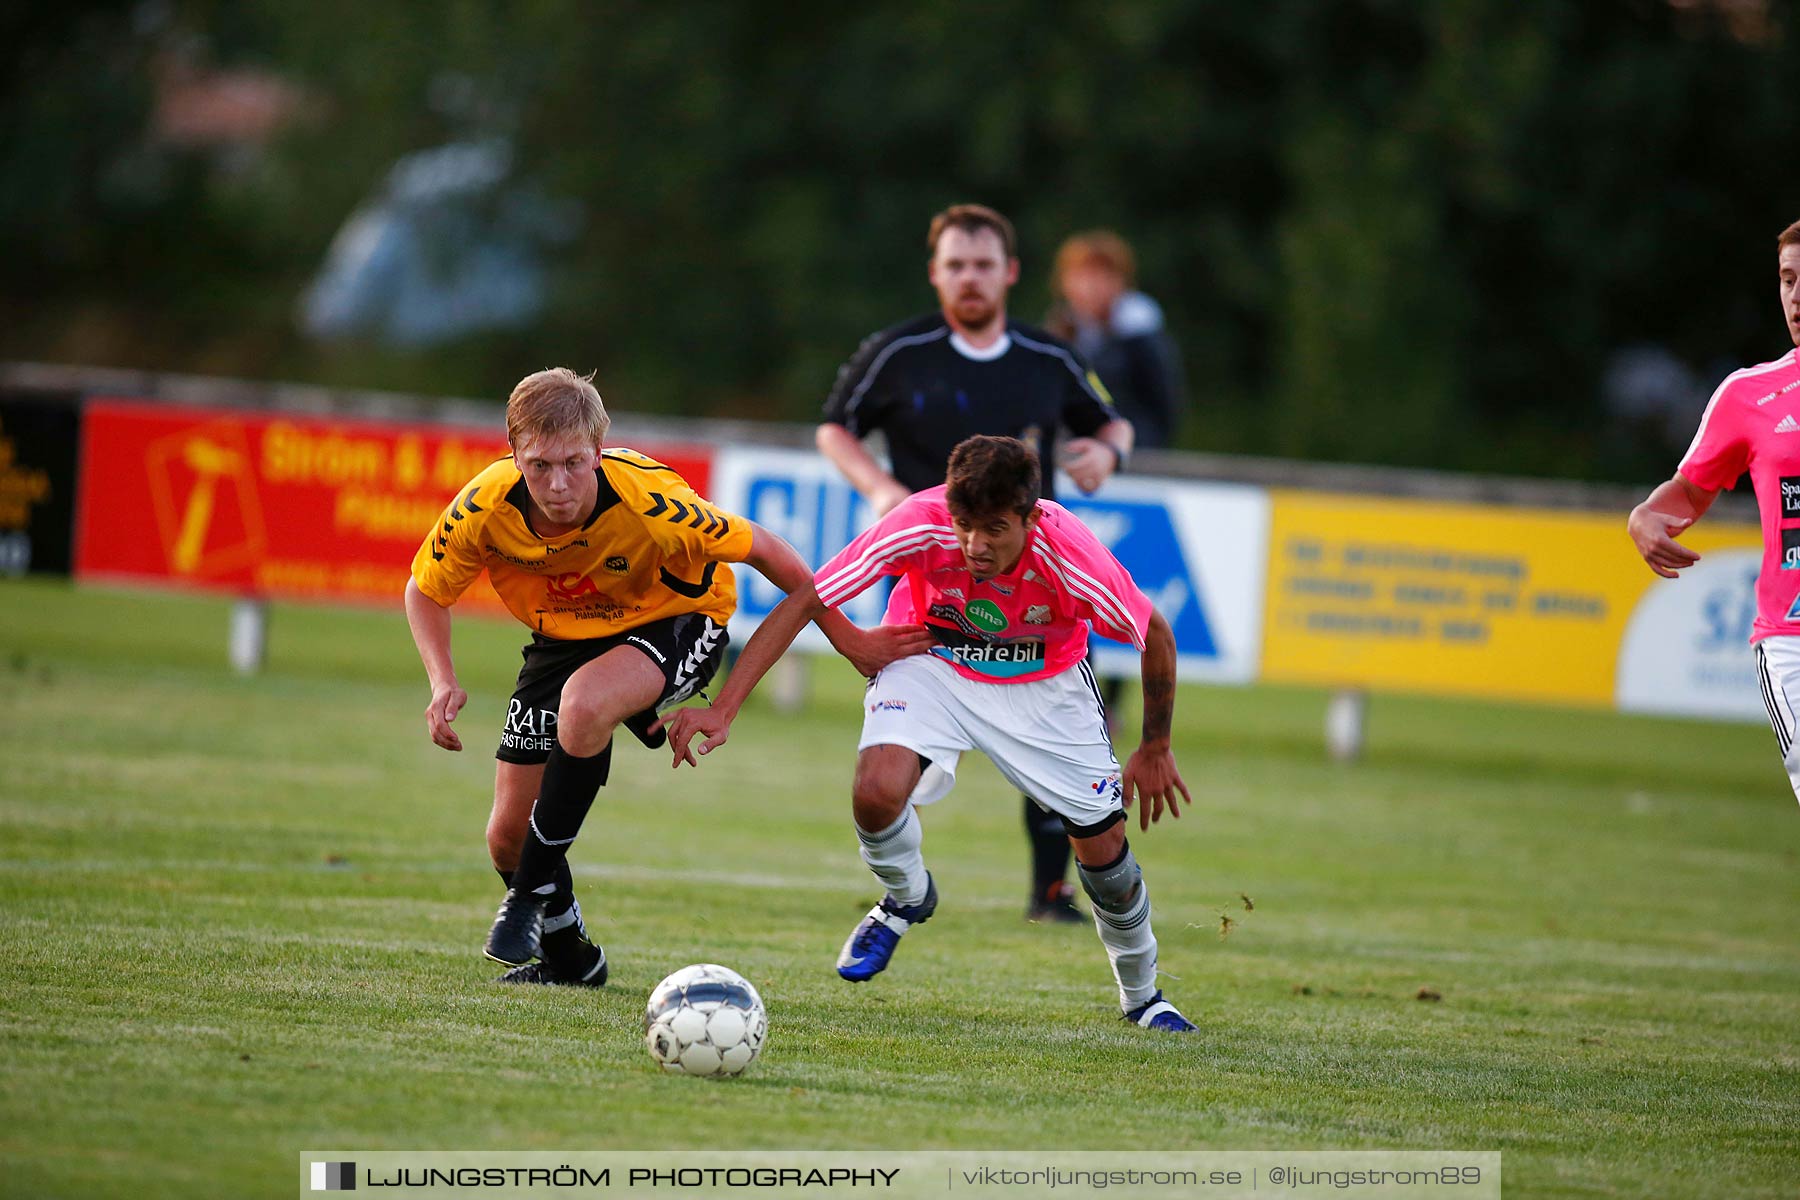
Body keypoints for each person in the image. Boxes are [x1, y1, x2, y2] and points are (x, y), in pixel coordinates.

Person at [404, 367, 929, 985]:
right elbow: (424, 590)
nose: (558, 483)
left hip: (677, 618)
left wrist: (848, 643)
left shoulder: (653, 503)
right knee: (506, 838)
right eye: (540, 465)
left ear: (598, 451)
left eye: (574, 462)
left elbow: (778, 559)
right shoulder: (484, 505)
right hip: (565, 635)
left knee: (584, 704)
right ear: (513, 453)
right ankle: (572, 960)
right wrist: (442, 680)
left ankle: (526, 896)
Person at [658, 436, 1197, 1032]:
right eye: (965, 525)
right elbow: (810, 595)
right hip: (931, 660)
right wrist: (727, 706)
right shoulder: (919, 520)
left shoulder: (1068, 553)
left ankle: (1143, 996)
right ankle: (907, 897)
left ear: (1030, 516)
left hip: (1044, 688)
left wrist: (1154, 747)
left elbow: (1158, 636)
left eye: (995, 529)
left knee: (1106, 862)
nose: (975, 545)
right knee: (875, 790)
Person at [816, 202, 1135, 924]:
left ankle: (1050, 891)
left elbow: (1111, 419)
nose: (969, 278)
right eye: (955, 265)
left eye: (983, 265)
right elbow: (834, 427)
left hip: (1033, 576)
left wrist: (1108, 452)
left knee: (1045, 710)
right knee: (915, 729)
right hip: (930, 573)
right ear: (935, 273)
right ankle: (905, 872)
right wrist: (878, 487)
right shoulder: (898, 353)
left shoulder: (1047, 356)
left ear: (1010, 273)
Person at [1628, 218, 1800, 803]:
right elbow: (1687, 493)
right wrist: (1644, 518)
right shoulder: (1749, 395)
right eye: (1786, 280)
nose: (1796, 297)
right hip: (1790, 640)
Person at [1046, 230, 1187, 451]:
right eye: (1081, 275)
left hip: (1131, 462)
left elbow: (1164, 409)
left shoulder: (1142, 337)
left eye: (1101, 275)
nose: (1091, 286)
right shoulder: (1057, 335)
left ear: (1121, 281)